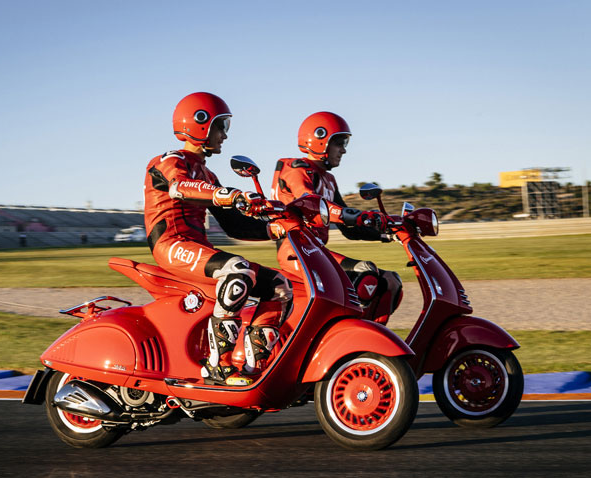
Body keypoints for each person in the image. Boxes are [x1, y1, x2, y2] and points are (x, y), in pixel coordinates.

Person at [143, 92, 292, 386]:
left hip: (197, 248)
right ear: (199, 124)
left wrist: (274, 229)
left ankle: (253, 369)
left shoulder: (208, 175)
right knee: (238, 271)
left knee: (278, 286)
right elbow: (180, 187)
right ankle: (219, 366)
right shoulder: (168, 161)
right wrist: (228, 195)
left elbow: (235, 227)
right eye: (219, 126)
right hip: (171, 245)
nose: (224, 135)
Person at [271, 111, 402, 324]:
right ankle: (346, 337)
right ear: (320, 139)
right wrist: (357, 215)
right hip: (297, 253)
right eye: (339, 143)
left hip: (318, 253)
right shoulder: (296, 169)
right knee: (365, 273)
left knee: (390, 282)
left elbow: (349, 229)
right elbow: (312, 202)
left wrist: (389, 232)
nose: (343, 150)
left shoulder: (329, 179)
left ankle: (370, 338)